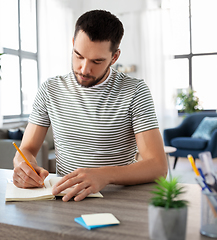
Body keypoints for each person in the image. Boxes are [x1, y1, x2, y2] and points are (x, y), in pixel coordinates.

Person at [13, 9, 167, 202]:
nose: (84, 69)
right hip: (66, 198)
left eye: (97, 61)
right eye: (78, 55)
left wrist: (104, 175)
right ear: (73, 44)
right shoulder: (49, 90)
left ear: (114, 57)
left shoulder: (135, 91)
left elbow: (157, 166)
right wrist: (21, 164)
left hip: (117, 198)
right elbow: (26, 149)